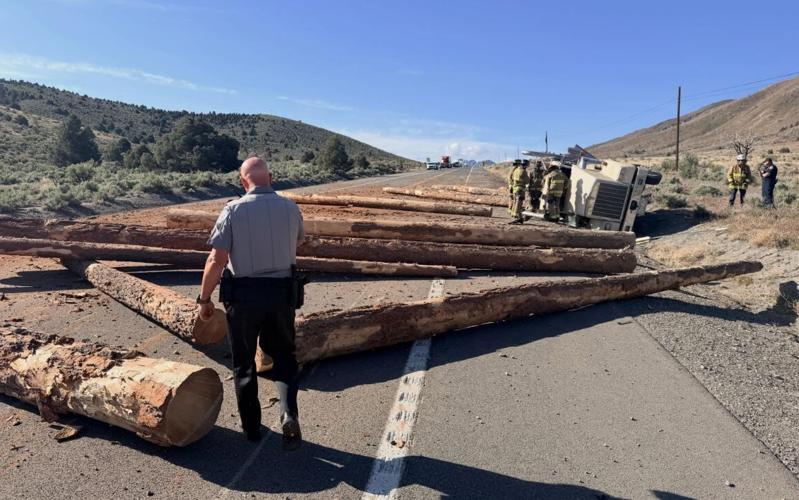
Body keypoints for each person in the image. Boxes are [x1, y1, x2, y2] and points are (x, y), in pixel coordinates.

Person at [197, 156, 305, 449]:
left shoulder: (232, 210)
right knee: (284, 357)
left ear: (243, 181)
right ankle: (288, 413)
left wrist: (204, 299)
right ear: (270, 178)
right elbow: (298, 241)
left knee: (244, 362)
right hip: (282, 294)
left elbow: (216, 259)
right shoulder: (291, 208)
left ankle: (252, 428)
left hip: (243, 297)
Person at [507, 159, 529, 224]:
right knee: (519, 203)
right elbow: (527, 180)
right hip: (520, 189)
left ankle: (518, 217)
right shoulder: (523, 171)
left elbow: (512, 178)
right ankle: (517, 217)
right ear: (525, 165)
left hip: (515, 188)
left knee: (516, 202)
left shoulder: (516, 170)